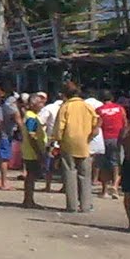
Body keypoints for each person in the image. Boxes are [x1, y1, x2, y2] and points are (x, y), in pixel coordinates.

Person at [51, 81, 98, 214]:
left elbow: (60, 127)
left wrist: (57, 141)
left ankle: (71, 206)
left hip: (68, 144)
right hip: (84, 144)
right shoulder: (87, 106)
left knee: (70, 174)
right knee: (85, 175)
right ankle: (85, 205)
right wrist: (89, 137)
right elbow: (96, 124)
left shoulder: (65, 107)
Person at [19, 92, 49, 209]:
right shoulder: (31, 117)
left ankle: (29, 199)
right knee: (31, 176)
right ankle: (28, 200)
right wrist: (39, 152)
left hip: (31, 150)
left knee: (31, 175)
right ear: (33, 104)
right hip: (32, 151)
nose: (42, 105)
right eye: (40, 103)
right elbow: (32, 136)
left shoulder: (32, 116)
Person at [95, 90, 126, 198]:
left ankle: (104, 191)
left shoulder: (99, 110)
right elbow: (125, 123)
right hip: (117, 138)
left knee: (103, 164)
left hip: (104, 139)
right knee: (116, 164)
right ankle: (115, 186)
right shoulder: (120, 108)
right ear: (112, 98)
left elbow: (97, 126)